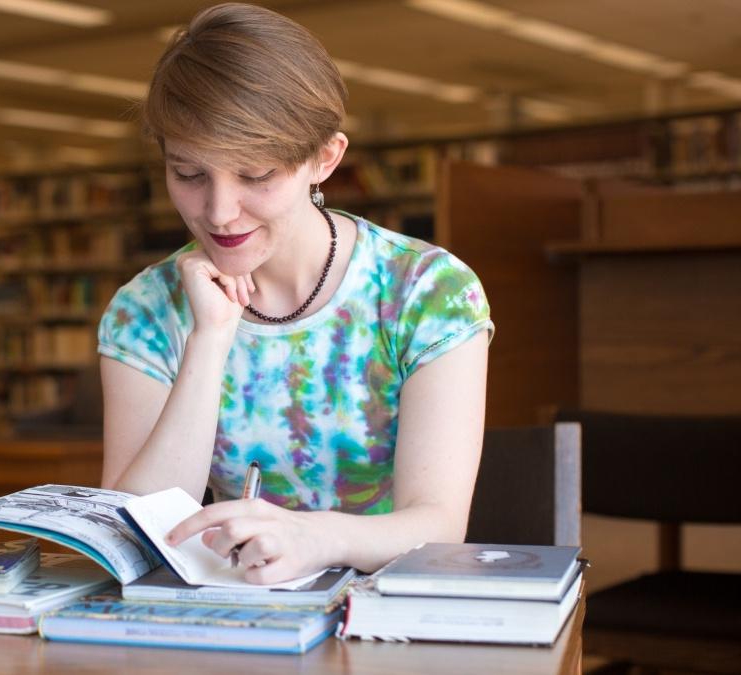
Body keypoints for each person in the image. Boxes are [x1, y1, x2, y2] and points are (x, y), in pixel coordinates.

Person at [96, 3, 494, 584]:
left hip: (392, 608)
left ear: (324, 158)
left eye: (256, 176)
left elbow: (437, 523)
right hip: (235, 608)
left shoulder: (429, 292)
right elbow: (130, 530)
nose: (219, 212)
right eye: (188, 174)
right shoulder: (145, 310)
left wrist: (313, 537)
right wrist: (209, 341)